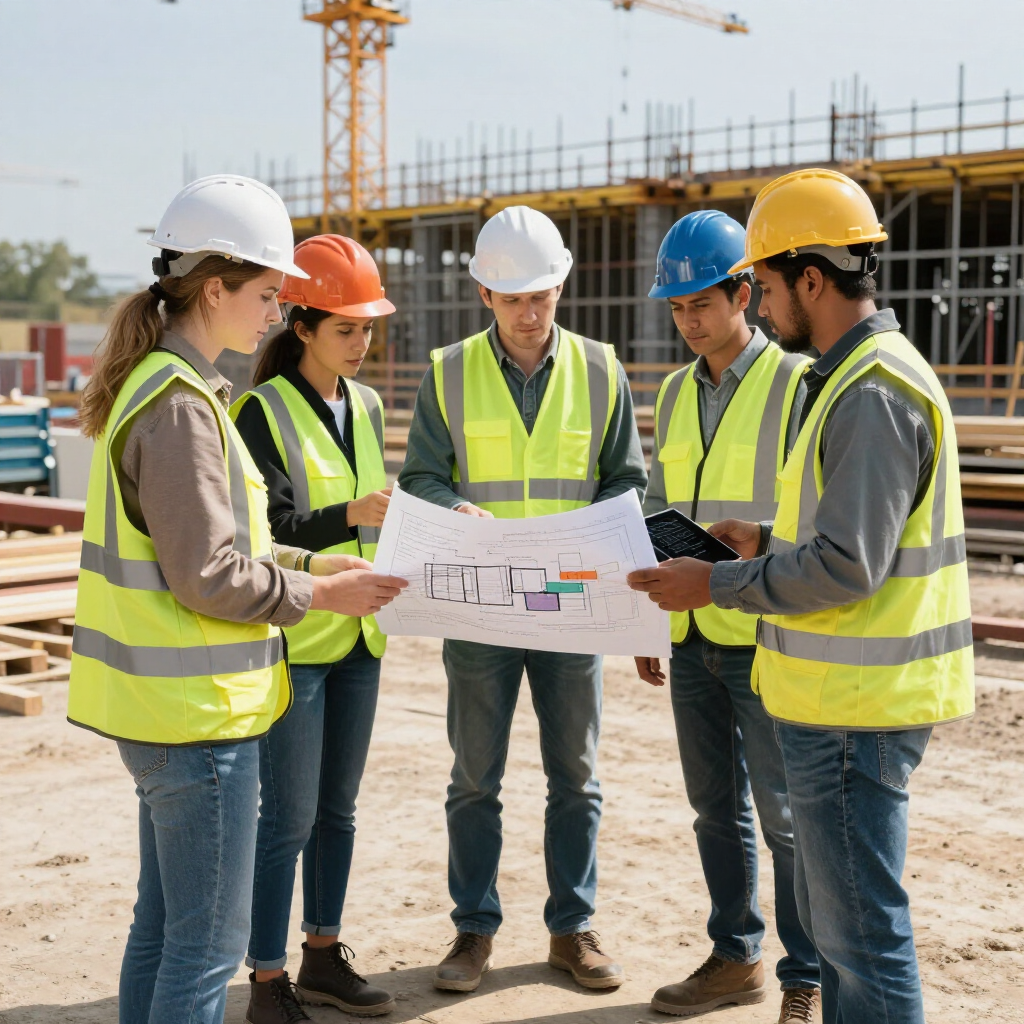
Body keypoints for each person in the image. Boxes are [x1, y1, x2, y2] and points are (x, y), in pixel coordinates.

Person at [627, 168, 974, 1024]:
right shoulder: (852, 380)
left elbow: (850, 568)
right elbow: (844, 544)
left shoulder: (870, 392)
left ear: (810, 279)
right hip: (836, 698)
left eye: (770, 286)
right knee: (855, 934)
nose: (768, 304)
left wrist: (717, 580)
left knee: (861, 940)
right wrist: (765, 541)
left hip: (857, 709)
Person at [67, 176, 407, 1024]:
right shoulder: (182, 408)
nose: (273, 312)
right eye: (264, 293)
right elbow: (210, 576)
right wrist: (321, 594)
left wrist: (319, 573)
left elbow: (234, 546)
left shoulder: (161, 388)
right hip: (200, 724)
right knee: (204, 950)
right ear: (213, 288)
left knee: (163, 928)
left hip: (163, 715)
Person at [399, 205, 647, 993]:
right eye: (514, 299)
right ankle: (473, 931)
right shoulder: (447, 372)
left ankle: (572, 929)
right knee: (475, 776)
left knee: (576, 774)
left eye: (541, 294)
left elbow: (627, 483)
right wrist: (452, 508)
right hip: (481, 606)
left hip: (571, 603)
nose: (530, 312)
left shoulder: (602, 369)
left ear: (562, 284)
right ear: (483, 293)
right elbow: (421, 478)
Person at [637, 210, 820, 1022]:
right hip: (689, 635)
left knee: (784, 817)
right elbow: (655, 508)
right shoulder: (675, 392)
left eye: (701, 304)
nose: (689, 321)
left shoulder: (795, 384)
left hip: (762, 633)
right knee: (715, 809)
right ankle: (735, 954)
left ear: (744, 292)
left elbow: (816, 518)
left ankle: (805, 973)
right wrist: (648, 622)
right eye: (676, 309)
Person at [231, 235, 397, 1022]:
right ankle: (267, 980)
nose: (361, 344)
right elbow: (268, 532)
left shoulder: (365, 406)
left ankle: (323, 955)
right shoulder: (257, 411)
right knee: (286, 819)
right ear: (301, 326)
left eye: (368, 328)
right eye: (346, 329)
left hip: (361, 641)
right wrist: (350, 516)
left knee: (339, 811)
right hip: (299, 642)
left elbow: (376, 523)